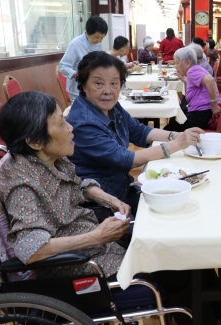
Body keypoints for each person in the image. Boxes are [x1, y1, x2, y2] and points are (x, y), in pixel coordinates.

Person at [0, 91, 221, 325]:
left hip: (98, 245)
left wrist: (107, 198)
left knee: (181, 242)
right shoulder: (23, 184)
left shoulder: (47, 160)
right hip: (82, 268)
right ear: (35, 141)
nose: (70, 127)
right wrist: (97, 236)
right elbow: (31, 248)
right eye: (61, 123)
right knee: (176, 264)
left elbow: (78, 183)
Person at [66, 51, 201, 215]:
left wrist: (174, 135)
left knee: (184, 201)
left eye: (114, 83)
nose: (108, 91)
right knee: (171, 211)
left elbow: (140, 131)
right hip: (103, 203)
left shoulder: (110, 107)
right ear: (84, 84)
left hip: (122, 187)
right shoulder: (83, 122)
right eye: (98, 84)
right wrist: (177, 144)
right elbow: (127, 160)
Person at [164, 47, 220, 132]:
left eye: (177, 63)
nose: (175, 66)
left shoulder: (191, 71)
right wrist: (182, 78)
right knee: (175, 117)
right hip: (203, 111)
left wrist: (214, 104)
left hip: (202, 114)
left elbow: (210, 81)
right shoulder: (196, 69)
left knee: (168, 130)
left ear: (187, 62)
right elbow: (194, 83)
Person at [59, 16, 108, 102]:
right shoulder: (75, 44)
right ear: (87, 31)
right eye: (97, 37)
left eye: (102, 38)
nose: (99, 40)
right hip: (77, 91)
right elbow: (62, 66)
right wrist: (76, 74)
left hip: (94, 88)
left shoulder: (98, 44)